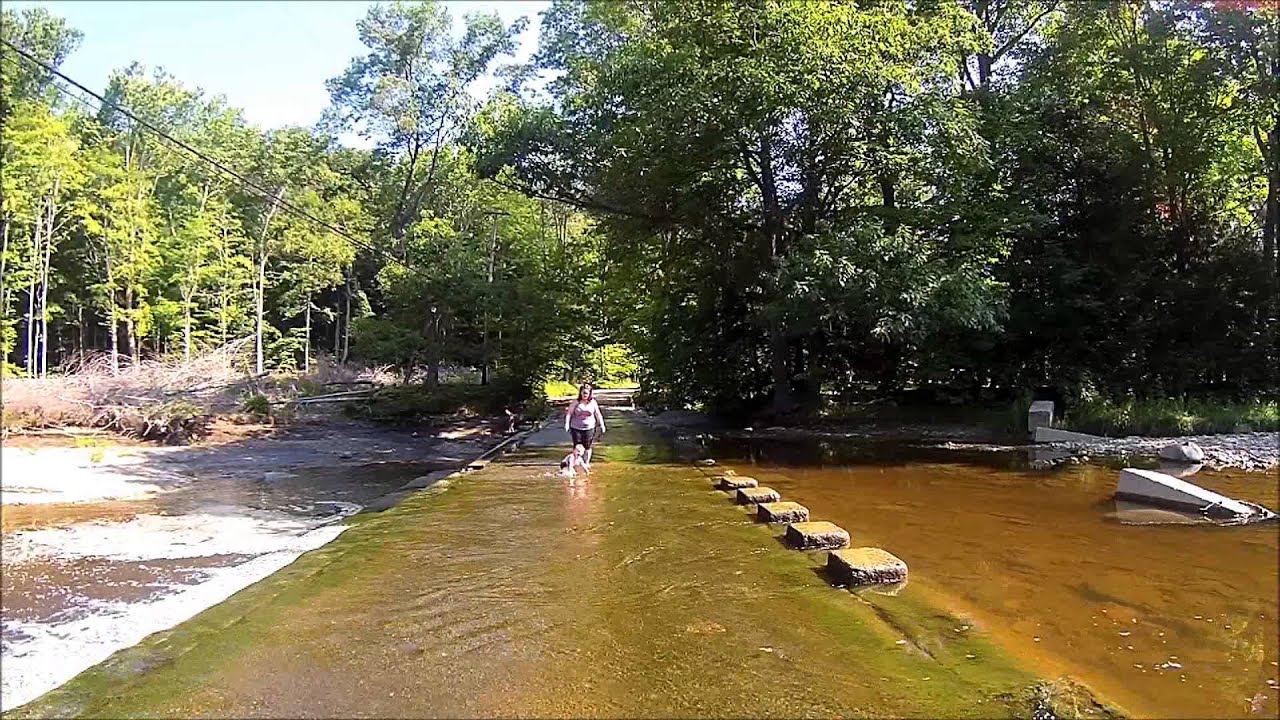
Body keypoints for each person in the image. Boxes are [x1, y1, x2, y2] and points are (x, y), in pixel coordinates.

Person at [564, 383, 605, 468]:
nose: (585, 395)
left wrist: (602, 425)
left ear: (590, 393)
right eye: (583, 393)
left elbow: (598, 414)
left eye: (587, 393)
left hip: (589, 427)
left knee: (587, 446)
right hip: (576, 427)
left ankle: (586, 462)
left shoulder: (593, 402)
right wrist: (567, 424)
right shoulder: (576, 402)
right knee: (577, 445)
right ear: (580, 393)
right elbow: (569, 413)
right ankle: (575, 461)